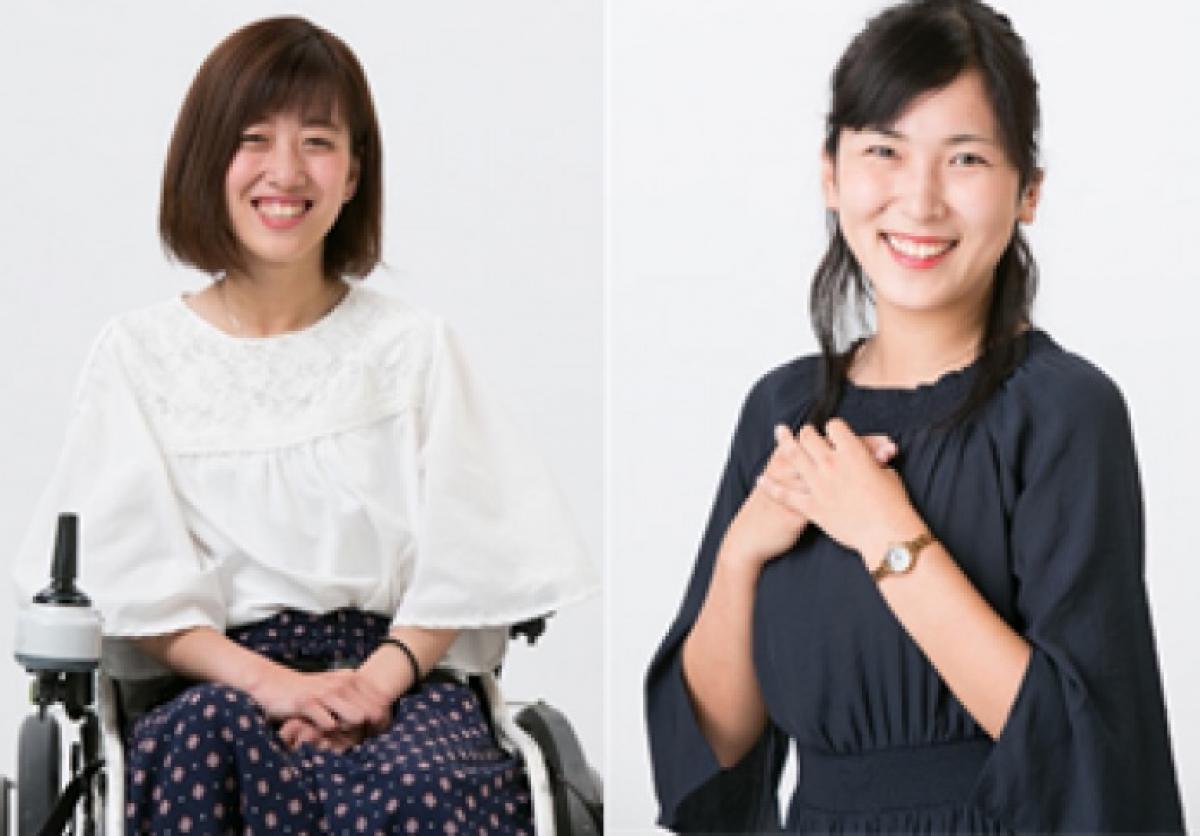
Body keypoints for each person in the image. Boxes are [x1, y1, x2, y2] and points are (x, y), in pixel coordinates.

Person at [12, 16, 596, 835]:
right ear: (207, 159)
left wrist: (376, 681)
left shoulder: (412, 350)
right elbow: (135, 586)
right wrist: (271, 685)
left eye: (317, 142)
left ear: (354, 172)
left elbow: (474, 557)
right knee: (202, 744)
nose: (286, 172)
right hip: (210, 684)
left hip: (398, 680)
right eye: (254, 138)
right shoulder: (141, 357)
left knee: (421, 785)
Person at [644, 0, 1186, 832]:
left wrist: (887, 535)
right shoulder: (783, 412)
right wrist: (742, 552)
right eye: (883, 152)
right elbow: (714, 752)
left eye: (965, 158)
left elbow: (1084, 750)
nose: (920, 200)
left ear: (1028, 191)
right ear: (831, 172)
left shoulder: (1065, 413)